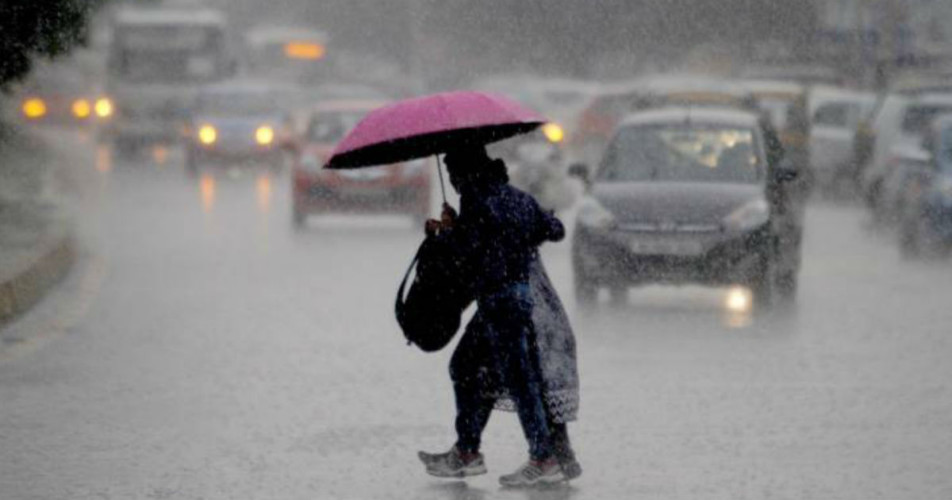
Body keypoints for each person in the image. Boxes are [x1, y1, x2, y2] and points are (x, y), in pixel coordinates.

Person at [417, 144, 580, 487]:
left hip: (499, 304)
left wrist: (443, 235)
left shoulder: (478, 202)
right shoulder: (516, 198)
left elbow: (467, 254)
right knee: (468, 367)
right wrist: (523, 229)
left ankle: (543, 457)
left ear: (465, 173)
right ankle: (467, 451)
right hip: (518, 300)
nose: (454, 182)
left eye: (453, 175)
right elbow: (554, 229)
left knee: (519, 382)